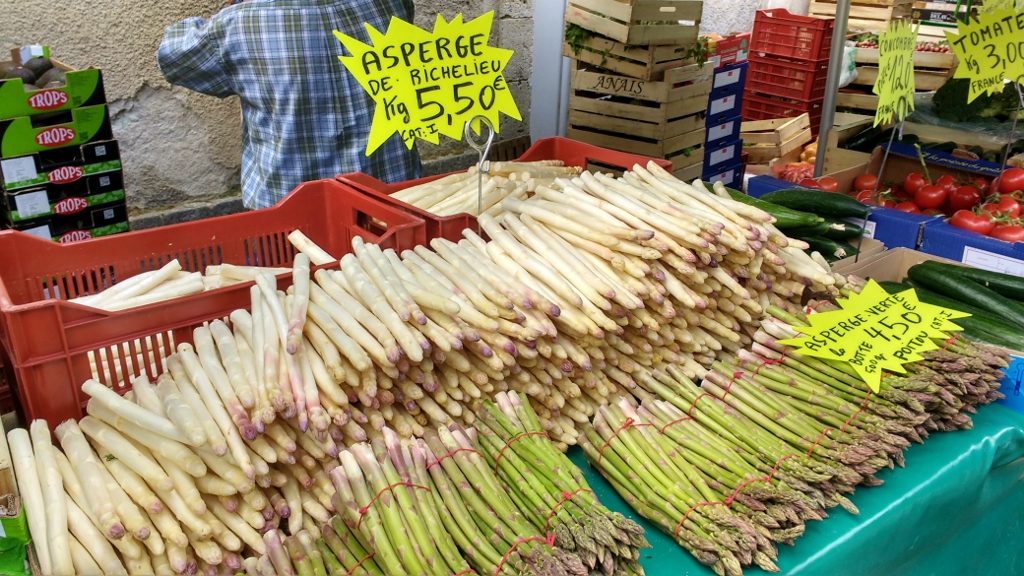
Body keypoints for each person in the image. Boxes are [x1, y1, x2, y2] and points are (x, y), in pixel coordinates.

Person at [157, 0, 422, 210]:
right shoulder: (389, 4)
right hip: (398, 198)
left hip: (291, 212)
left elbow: (173, 57)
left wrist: (231, 9)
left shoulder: (237, 25)